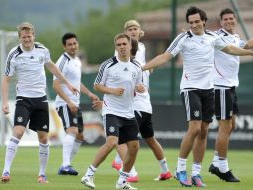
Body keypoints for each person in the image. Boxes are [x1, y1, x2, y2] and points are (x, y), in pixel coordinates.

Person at [141, 7, 253, 187]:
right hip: (190, 89)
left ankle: (196, 173)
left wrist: (249, 53)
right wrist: (142, 68)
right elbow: (164, 56)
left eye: (196, 21)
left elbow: (231, 49)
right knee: (194, 129)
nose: (193, 25)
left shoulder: (212, 38)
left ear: (203, 21)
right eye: (190, 22)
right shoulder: (183, 38)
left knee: (203, 132)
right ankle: (180, 169)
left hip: (209, 90)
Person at [0, 22, 78, 184]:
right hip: (23, 99)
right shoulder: (14, 54)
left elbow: (53, 67)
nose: (27, 39)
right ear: (19, 38)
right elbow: (6, 79)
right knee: (18, 132)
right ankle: (6, 171)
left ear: (33, 36)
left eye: (29, 36)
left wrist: (67, 83)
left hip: (41, 100)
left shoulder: (42, 50)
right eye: (24, 37)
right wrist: (5, 102)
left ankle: (42, 175)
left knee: (43, 139)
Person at [80, 33, 145, 190]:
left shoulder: (136, 67)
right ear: (116, 47)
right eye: (119, 45)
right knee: (112, 142)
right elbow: (97, 85)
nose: (122, 47)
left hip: (128, 113)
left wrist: (141, 88)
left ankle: (122, 181)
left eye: (124, 44)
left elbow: (138, 87)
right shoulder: (107, 65)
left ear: (130, 46)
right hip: (111, 110)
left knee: (134, 147)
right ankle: (88, 175)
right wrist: (113, 91)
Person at [111, 20, 173, 182]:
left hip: (136, 103)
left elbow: (128, 71)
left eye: (135, 29)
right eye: (129, 29)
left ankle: (128, 171)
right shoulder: (139, 49)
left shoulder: (129, 51)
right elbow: (141, 68)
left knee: (117, 139)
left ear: (140, 32)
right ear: (125, 32)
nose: (132, 31)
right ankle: (165, 171)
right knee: (150, 139)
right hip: (145, 104)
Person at [209, 8, 253, 182]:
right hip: (220, 87)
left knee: (231, 125)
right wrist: (250, 53)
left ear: (235, 20)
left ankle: (215, 161)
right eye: (225, 19)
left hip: (230, 87)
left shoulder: (234, 37)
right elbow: (234, 50)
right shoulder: (217, 36)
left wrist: (249, 47)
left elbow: (245, 44)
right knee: (225, 127)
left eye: (231, 18)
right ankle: (222, 167)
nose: (228, 21)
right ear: (221, 22)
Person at [53, 32, 99, 176]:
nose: (73, 46)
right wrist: (69, 102)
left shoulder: (77, 60)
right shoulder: (62, 61)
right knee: (72, 131)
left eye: (75, 43)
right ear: (64, 46)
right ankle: (66, 165)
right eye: (70, 44)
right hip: (64, 103)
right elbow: (56, 85)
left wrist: (89, 93)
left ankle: (65, 166)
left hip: (75, 103)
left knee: (79, 136)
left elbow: (76, 82)